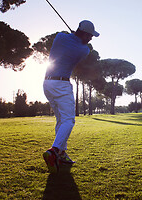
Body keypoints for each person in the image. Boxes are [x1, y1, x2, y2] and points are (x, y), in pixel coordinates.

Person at [43, 20, 99, 173]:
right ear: (84, 34)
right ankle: (54, 151)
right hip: (61, 85)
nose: (91, 39)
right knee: (69, 120)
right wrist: (79, 39)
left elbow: (67, 36)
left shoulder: (60, 37)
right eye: (90, 36)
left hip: (47, 84)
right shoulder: (84, 50)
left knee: (61, 120)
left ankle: (61, 153)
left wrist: (75, 36)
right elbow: (83, 50)